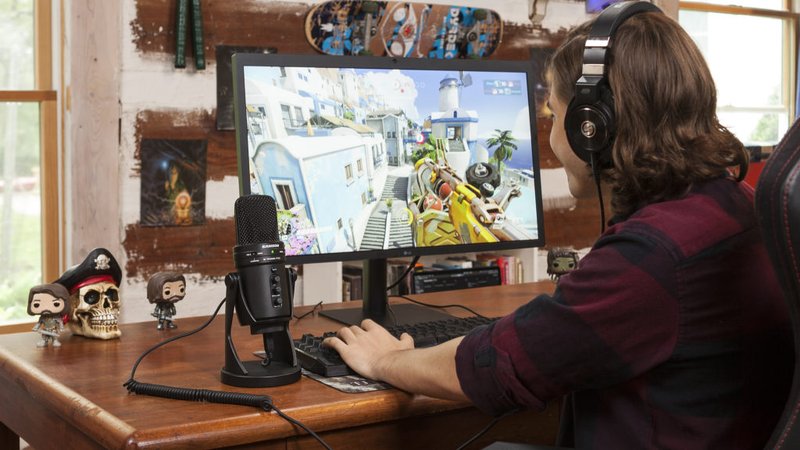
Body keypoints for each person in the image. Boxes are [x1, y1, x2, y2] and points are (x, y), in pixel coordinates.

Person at [323, 4, 794, 449]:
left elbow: (492, 366)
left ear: (592, 127)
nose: (550, 134)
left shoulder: (653, 257)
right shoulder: (737, 204)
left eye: (553, 114)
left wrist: (387, 359)